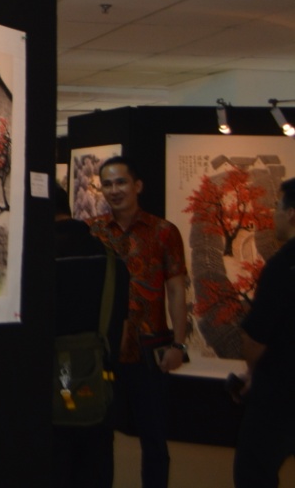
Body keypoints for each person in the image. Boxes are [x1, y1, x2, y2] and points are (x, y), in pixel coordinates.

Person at [87, 156, 188, 488]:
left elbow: (176, 290)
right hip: (105, 349)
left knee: (154, 437)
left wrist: (178, 344)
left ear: (137, 186)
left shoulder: (164, 232)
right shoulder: (93, 231)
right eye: (107, 184)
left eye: (121, 182)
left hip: (150, 347)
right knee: (99, 434)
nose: (114, 190)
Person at [53, 186, 128, 488]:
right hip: (97, 392)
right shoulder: (111, 260)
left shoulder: (32, 262)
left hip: (47, 399)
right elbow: (121, 335)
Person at [232, 177, 295, 487]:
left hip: (280, 394)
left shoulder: (283, 267)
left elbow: (255, 339)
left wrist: (251, 373)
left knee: (254, 472)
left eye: (276, 207)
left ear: (291, 214)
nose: (274, 214)